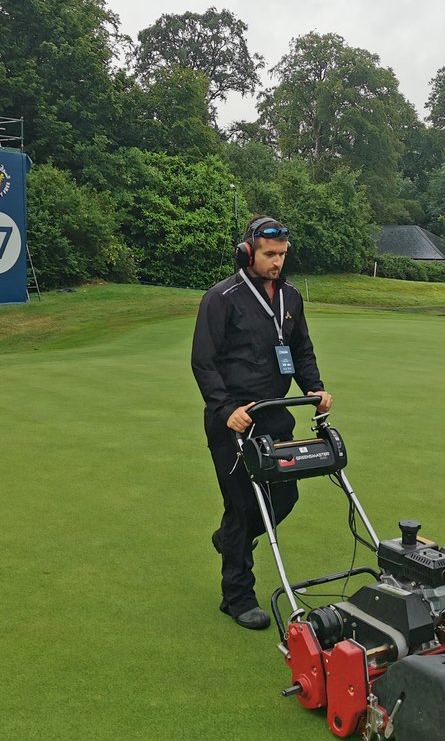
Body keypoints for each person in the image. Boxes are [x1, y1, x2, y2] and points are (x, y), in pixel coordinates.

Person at [191, 215, 332, 630]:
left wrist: (317, 389)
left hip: (275, 412)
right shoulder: (222, 297)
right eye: (269, 255)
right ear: (247, 253)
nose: (277, 262)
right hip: (233, 420)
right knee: (240, 507)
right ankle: (237, 596)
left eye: (282, 255)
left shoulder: (291, 297)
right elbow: (203, 361)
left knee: (285, 498)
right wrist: (224, 408)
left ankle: (230, 539)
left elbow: (301, 350)